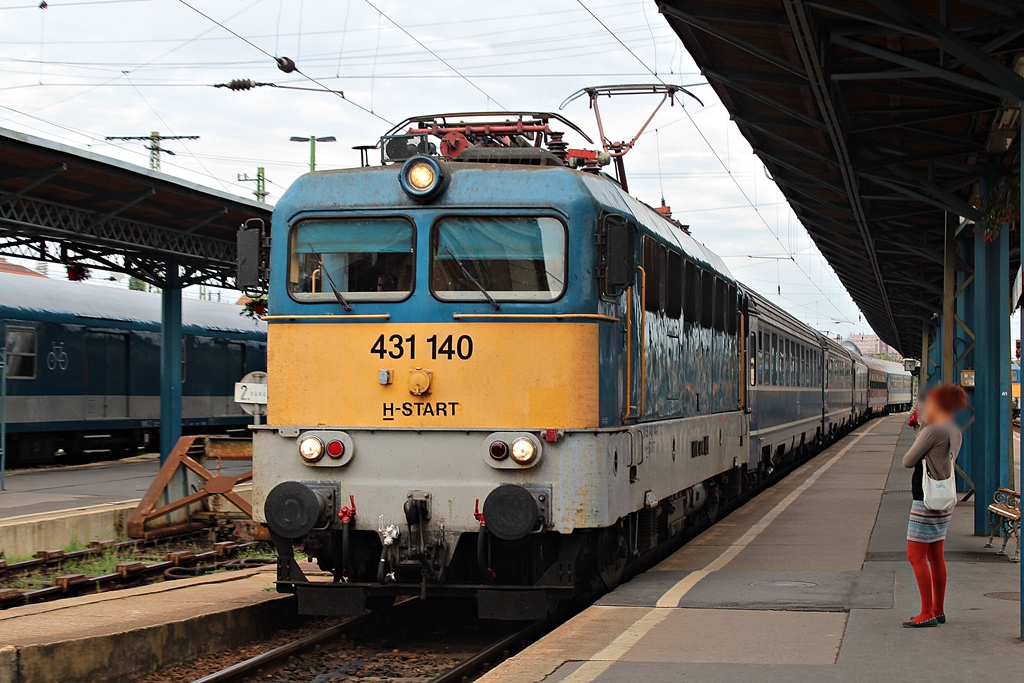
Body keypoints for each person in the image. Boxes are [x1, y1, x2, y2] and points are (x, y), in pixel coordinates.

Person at [900, 383, 968, 628]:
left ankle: (926, 612)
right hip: (944, 499)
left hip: (925, 501)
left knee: (915, 554)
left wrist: (921, 428)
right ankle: (938, 609)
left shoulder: (933, 431)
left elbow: (909, 461)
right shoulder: (954, 430)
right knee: (936, 555)